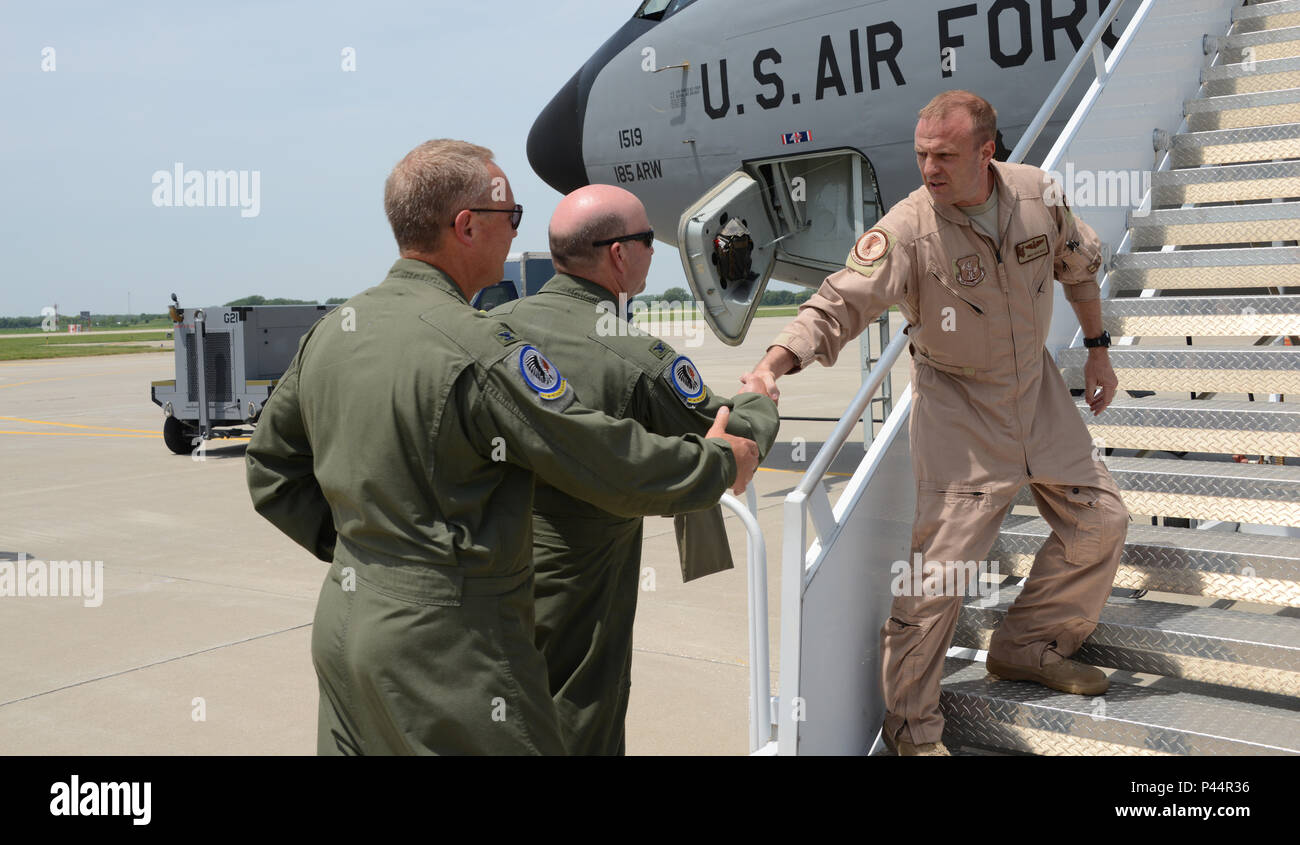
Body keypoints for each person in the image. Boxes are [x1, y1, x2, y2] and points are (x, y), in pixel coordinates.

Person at [245, 139, 760, 755]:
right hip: (448, 649)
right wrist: (722, 461)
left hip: (346, 625)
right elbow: (603, 460)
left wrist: (375, 556)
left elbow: (272, 471)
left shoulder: (333, 329)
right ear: (466, 226)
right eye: (509, 218)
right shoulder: (477, 346)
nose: (516, 235)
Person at [742, 91, 1129, 756]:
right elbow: (838, 303)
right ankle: (912, 730)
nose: (929, 168)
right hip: (959, 409)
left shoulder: (1038, 193)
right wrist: (773, 364)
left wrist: (1097, 349)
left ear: (988, 150)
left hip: (1034, 392)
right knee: (939, 579)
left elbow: (1078, 265)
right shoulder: (907, 228)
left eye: (944, 155)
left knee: (1102, 518)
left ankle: (1028, 644)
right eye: (921, 154)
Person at [489, 184, 780, 755]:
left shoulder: (490, 329)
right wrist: (760, 398)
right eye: (649, 240)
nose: (655, 251)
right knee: (578, 714)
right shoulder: (635, 355)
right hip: (579, 581)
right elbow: (727, 439)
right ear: (619, 253)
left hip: (484, 565)